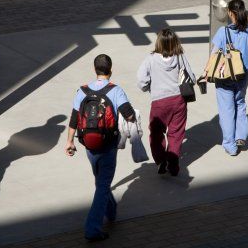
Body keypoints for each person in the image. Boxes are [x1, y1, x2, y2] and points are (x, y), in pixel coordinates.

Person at [65, 54, 136, 242]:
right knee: (103, 184)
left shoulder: (82, 91)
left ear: (94, 69)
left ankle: (111, 213)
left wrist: (70, 142)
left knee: (101, 182)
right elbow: (129, 115)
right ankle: (92, 229)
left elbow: (73, 119)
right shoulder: (116, 90)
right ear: (110, 70)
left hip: (88, 144)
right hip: (108, 144)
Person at [200, 0, 248, 156]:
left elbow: (214, 54)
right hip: (243, 75)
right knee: (240, 103)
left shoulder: (223, 32)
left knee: (226, 110)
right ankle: (241, 136)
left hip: (224, 76)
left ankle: (230, 145)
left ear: (230, 13)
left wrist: (206, 72)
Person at [136, 28, 195, 176]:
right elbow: (192, 78)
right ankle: (173, 164)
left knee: (156, 134)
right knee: (176, 133)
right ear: (175, 42)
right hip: (179, 100)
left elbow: (142, 81)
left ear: (159, 42)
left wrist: (150, 87)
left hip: (159, 102)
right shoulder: (180, 57)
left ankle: (161, 159)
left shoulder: (150, 59)